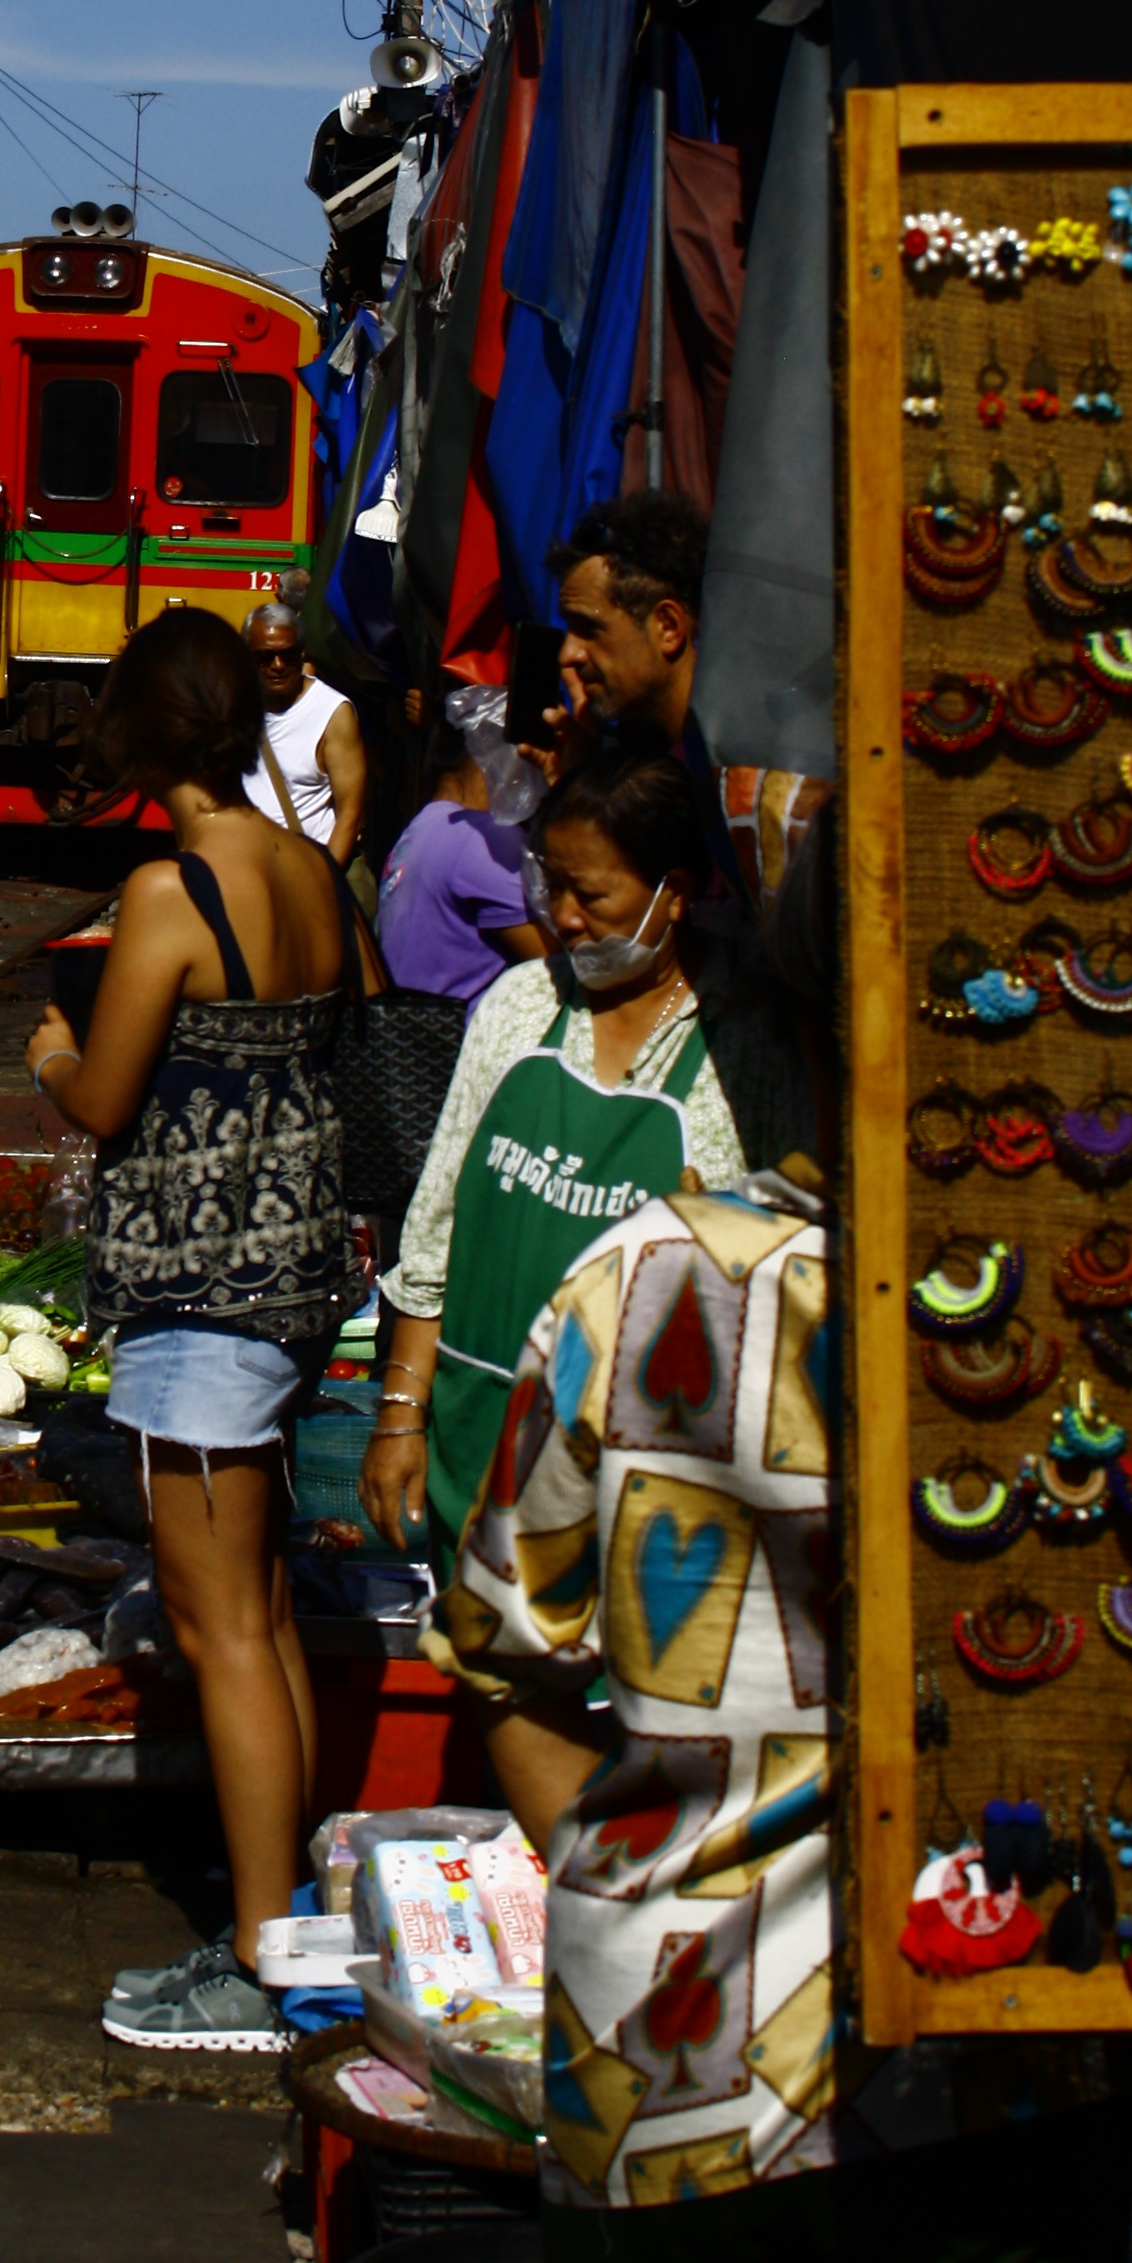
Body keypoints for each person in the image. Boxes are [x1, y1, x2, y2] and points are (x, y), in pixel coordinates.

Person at [428, 1157, 1125, 2263]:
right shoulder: (1100, 1304)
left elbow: (501, 1652)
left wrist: (640, 1893)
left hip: (671, 2061)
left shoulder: (641, 1279)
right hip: (1013, 2062)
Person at [25, 606, 353, 2054]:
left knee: (220, 1630)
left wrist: (48, 1048)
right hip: (289, 1280)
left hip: (195, 1297)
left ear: (147, 735)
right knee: (265, 1612)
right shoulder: (309, 871)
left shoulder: (171, 890)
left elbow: (103, 1100)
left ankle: (262, 1959)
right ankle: (296, 1907)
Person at [362, 739, 814, 1574]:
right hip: (479, 1438)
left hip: (652, 1485)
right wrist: (399, 1415)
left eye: (592, 894)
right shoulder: (519, 1007)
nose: (562, 916)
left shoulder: (743, 1043)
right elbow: (434, 1235)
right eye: (550, 885)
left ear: (674, 894)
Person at [374, 717, 546, 1006]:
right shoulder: (481, 836)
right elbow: (557, 961)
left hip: (417, 1034)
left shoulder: (416, 831)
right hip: (467, 1040)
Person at [548, 488, 706, 756]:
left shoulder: (740, 769)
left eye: (589, 628)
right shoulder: (656, 766)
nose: (567, 656)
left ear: (667, 627)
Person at [241, 595, 366, 865]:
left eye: (288, 655)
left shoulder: (332, 713)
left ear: (302, 653)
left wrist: (324, 883)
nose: (278, 665)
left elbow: (350, 814)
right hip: (246, 871)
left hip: (306, 872)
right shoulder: (232, 705)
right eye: (265, 657)